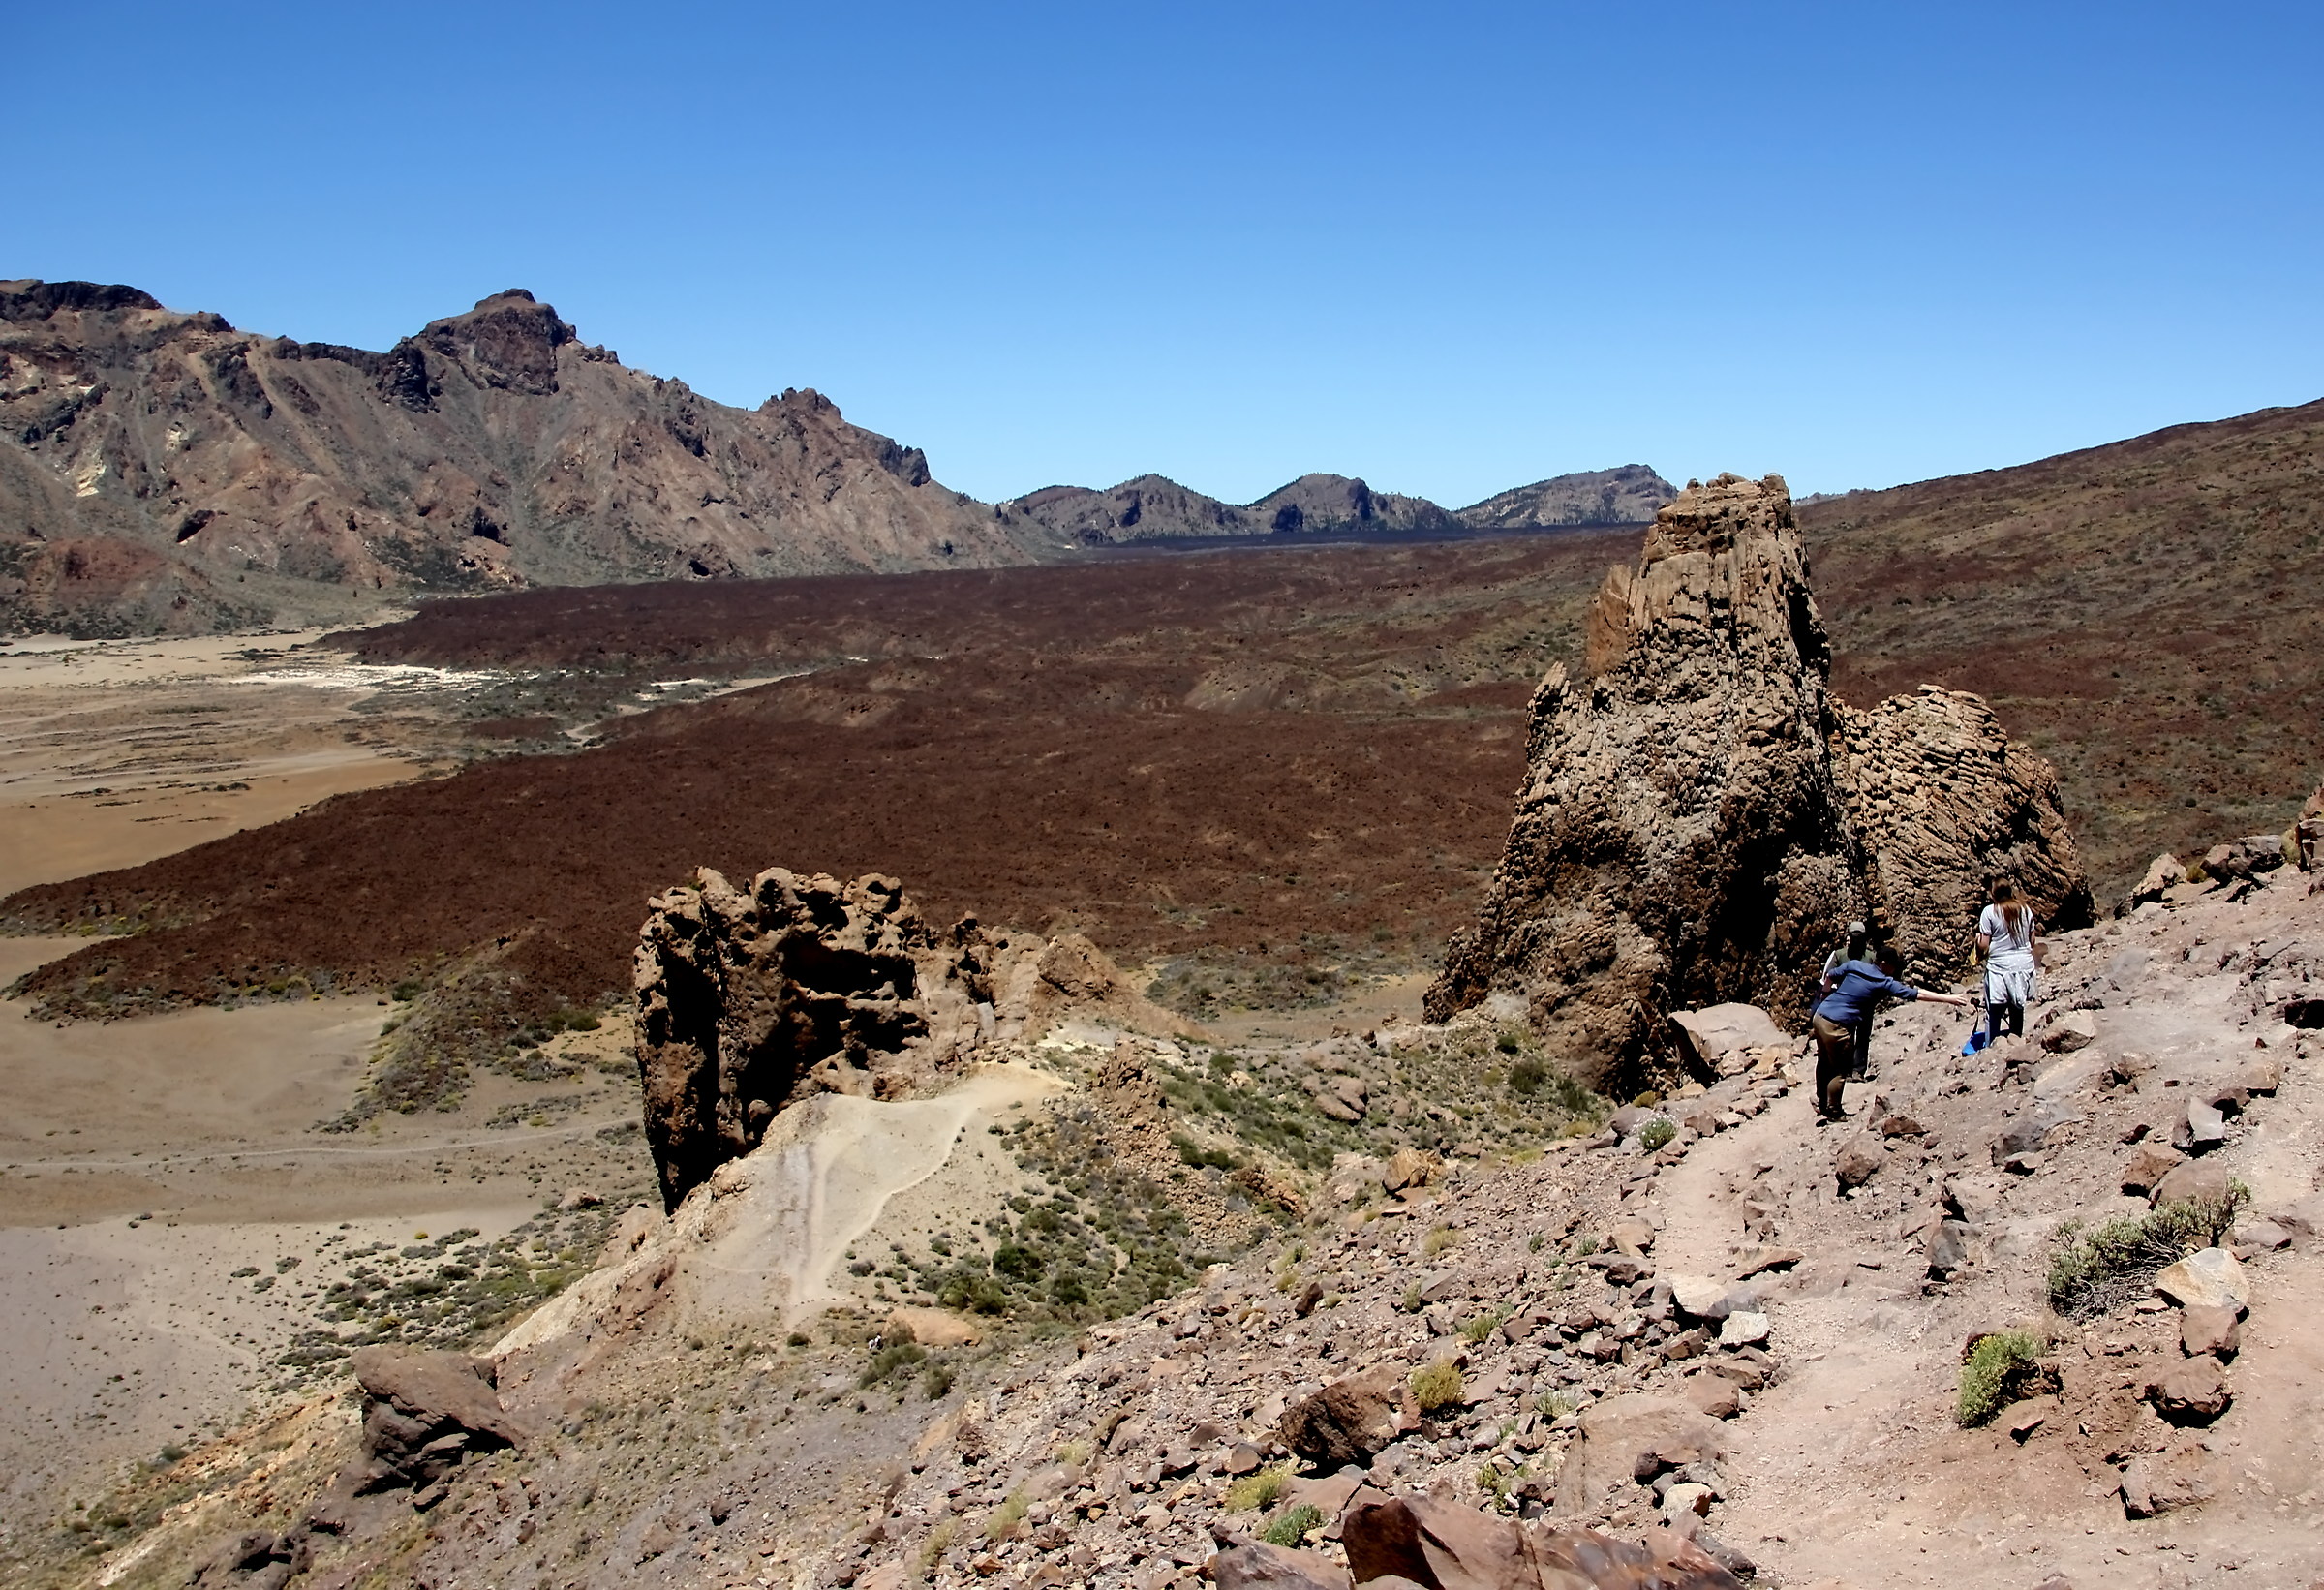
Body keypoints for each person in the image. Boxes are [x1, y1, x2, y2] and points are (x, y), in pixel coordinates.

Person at [1811, 943, 1970, 1122]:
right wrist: (1948, 998)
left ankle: (1821, 1100)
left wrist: (1825, 994)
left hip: (1821, 1015)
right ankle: (1834, 1111)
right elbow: (1916, 994)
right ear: (1884, 963)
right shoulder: (1882, 982)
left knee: (1824, 1061)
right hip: (1837, 1025)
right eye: (1893, 966)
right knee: (1839, 1069)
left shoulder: (1855, 965)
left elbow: (1830, 975)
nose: (1894, 970)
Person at [1976, 880, 2040, 1040]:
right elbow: (2031, 942)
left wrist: (1977, 941)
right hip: (2023, 965)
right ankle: (2016, 1040)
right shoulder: (2025, 910)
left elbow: (1984, 945)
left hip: (1999, 967)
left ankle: (1991, 1045)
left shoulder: (1989, 912)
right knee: (2017, 1007)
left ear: (1993, 894)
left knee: (1994, 1011)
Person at [1819, 920, 1873, 1078]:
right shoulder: (1839, 955)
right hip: (1845, 1004)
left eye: (1859, 937)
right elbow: (1828, 977)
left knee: (1862, 1037)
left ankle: (1858, 1070)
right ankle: (1846, 1070)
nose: (1856, 940)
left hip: (1864, 1003)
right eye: (1854, 936)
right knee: (1845, 1037)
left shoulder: (1870, 957)